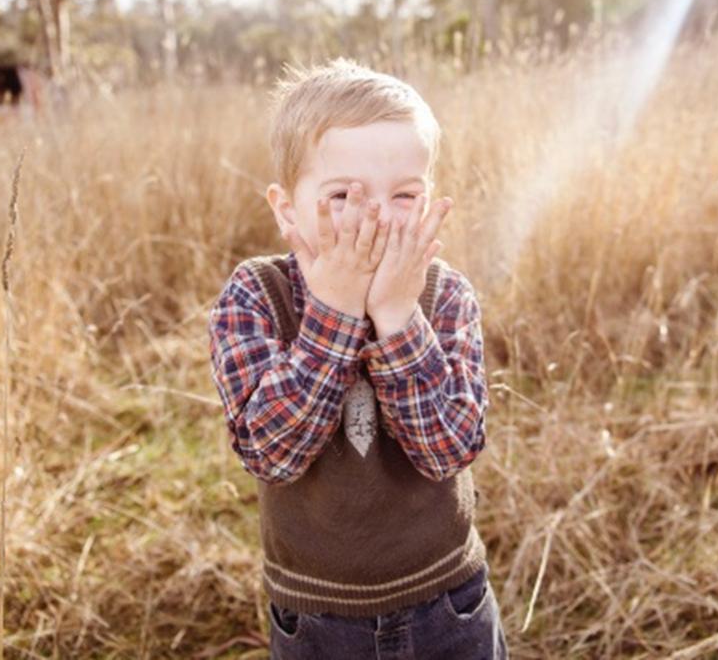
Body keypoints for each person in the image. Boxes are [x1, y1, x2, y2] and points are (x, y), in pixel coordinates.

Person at [208, 57, 509, 659]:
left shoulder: (444, 295)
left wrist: (398, 317)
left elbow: (450, 448)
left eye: (404, 194)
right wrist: (336, 312)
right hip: (319, 619)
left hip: (448, 601)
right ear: (287, 209)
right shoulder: (255, 296)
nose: (375, 216)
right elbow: (272, 453)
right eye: (344, 194)